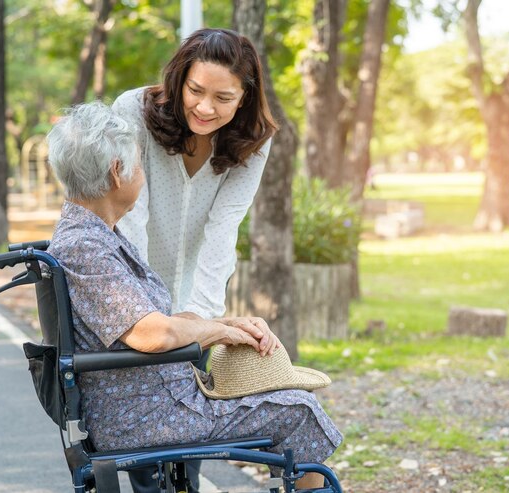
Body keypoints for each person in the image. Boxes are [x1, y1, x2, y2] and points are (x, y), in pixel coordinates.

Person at [45, 102, 342, 490]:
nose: (142, 175)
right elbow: (153, 335)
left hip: (150, 402)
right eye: (139, 165)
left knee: (289, 400)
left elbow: (153, 324)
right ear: (118, 173)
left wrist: (223, 323)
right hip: (145, 414)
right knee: (298, 409)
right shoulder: (86, 246)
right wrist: (219, 335)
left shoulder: (95, 235)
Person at [111, 27, 279, 492]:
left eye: (223, 97)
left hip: (197, 295)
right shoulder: (133, 112)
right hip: (136, 290)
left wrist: (197, 316)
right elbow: (129, 216)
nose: (205, 108)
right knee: (147, 430)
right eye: (196, 91)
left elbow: (224, 229)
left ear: (244, 99)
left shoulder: (254, 141)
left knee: (189, 418)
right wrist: (151, 314)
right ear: (179, 80)